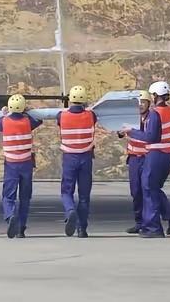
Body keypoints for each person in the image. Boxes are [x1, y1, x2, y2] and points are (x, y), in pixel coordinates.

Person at [118, 81, 170, 237]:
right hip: (166, 154)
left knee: (148, 189)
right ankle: (163, 221)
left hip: (155, 154)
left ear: (153, 96)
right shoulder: (169, 110)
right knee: (151, 189)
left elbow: (151, 137)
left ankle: (152, 228)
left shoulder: (155, 113)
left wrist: (131, 131)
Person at [0, 94, 42, 238]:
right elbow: (39, 120)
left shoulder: (4, 121)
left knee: (8, 195)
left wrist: (5, 113)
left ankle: (10, 216)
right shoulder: (28, 121)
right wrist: (28, 110)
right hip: (26, 163)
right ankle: (21, 229)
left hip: (11, 164)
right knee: (25, 197)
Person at [57, 85, 96, 238]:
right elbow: (91, 113)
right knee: (84, 196)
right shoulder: (91, 116)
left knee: (67, 191)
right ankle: (82, 229)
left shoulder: (61, 116)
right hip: (85, 157)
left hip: (69, 158)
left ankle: (70, 210)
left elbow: (61, 117)